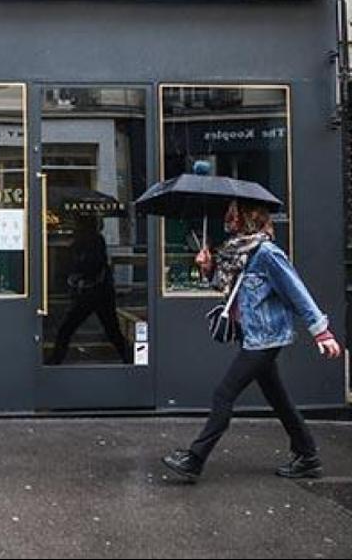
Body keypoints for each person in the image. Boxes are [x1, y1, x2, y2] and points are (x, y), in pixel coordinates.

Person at [162, 200, 343, 482]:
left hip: (265, 339)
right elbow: (232, 293)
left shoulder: (266, 253)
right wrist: (208, 268)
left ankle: (194, 459)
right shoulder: (239, 252)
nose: (227, 220)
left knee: (224, 394)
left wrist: (322, 332)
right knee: (278, 398)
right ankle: (308, 456)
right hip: (253, 336)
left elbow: (297, 292)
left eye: (233, 216)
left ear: (248, 218)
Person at [49, 215, 129, 365]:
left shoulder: (89, 242)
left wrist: (77, 276)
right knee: (112, 330)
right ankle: (129, 359)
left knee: (67, 328)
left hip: (93, 292)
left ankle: (55, 361)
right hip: (100, 292)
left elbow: (91, 265)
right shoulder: (94, 240)